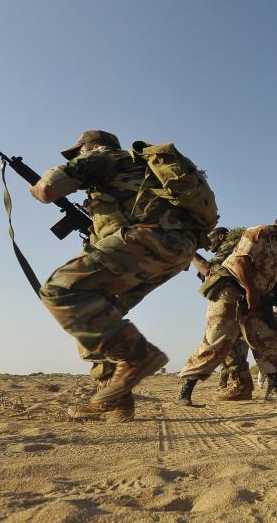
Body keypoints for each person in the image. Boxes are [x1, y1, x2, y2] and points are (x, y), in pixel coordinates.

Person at [29, 130, 213, 422]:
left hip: (151, 238)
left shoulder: (103, 156)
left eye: (79, 151)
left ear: (93, 147)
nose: (77, 157)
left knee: (59, 289)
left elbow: (48, 189)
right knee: (98, 311)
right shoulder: (135, 174)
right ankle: (116, 399)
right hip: (176, 248)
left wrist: (35, 186)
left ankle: (138, 357)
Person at [175, 207, 277, 405]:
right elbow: (240, 262)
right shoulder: (259, 233)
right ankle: (184, 392)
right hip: (230, 291)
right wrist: (251, 292)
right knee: (217, 341)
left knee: (270, 340)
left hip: (258, 297)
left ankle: (274, 390)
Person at [174, 227, 256, 405]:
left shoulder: (228, 247)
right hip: (240, 301)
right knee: (232, 347)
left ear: (221, 236)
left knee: (214, 343)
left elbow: (208, 270)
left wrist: (191, 252)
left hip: (228, 298)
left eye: (209, 238)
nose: (207, 244)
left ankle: (186, 391)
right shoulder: (239, 249)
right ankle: (241, 387)